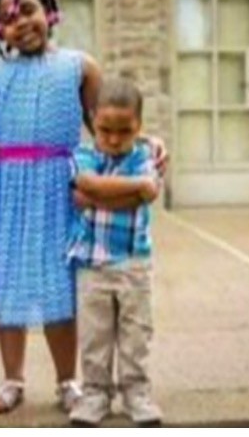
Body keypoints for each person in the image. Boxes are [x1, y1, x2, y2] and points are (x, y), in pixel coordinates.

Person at [0, 0, 167, 414]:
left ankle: (67, 381)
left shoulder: (78, 67)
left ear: (49, 11)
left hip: (58, 189)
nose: (21, 23)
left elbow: (106, 125)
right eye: (8, 18)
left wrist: (148, 143)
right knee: (11, 285)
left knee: (59, 287)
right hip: (8, 192)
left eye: (28, 10)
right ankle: (12, 379)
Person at [67, 78, 163, 427]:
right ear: (93, 119)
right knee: (95, 334)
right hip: (92, 262)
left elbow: (144, 197)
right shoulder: (84, 154)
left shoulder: (145, 155)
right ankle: (95, 393)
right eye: (105, 130)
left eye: (125, 131)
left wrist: (96, 197)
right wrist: (135, 187)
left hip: (134, 261)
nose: (113, 139)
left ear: (139, 125)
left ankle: (137, 393)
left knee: (136, 332)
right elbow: (87, 183)